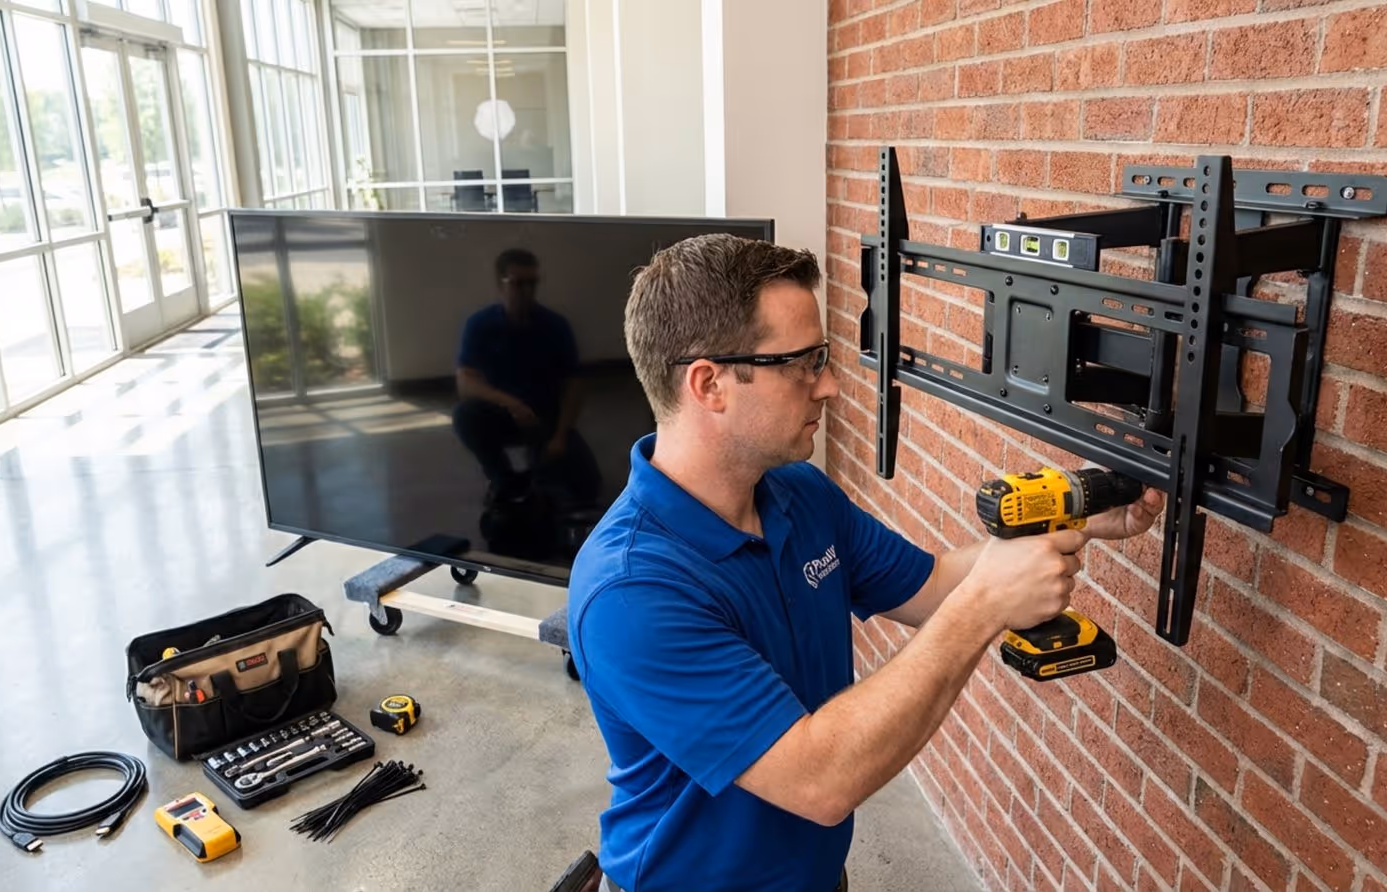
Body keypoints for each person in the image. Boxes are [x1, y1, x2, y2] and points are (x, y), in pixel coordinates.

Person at [566, 234, 1165, 892]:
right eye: (803, 362)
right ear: (710, 383)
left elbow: (932, 587)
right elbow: (820, 780)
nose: (829, 385)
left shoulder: (796, 493)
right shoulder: (631, 590)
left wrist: (1072, 519)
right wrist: (987, 603)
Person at [453, 247, 599, 508]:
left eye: (533, 283)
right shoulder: (480, 325)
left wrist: (561, 436)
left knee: (588, 488)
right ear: (501, 285)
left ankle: (540, 475)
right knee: (465, 415)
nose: (527, 291)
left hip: (546, 418)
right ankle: (502, 480)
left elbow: (573, 385)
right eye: (518, 284)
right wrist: (508, 402)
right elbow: (466, 381)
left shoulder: (555, 326)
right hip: (502, 414)